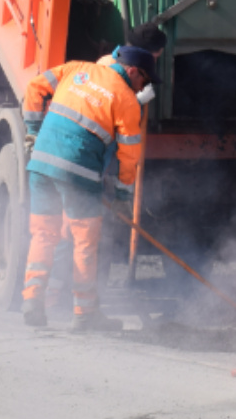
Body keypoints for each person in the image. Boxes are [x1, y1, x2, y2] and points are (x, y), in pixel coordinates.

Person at [20, 46, 157, 331]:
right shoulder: (127, 100)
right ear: (132, 71)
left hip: (41, 164)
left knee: (43, 234)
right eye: (144, 80)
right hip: (78, 174)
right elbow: (129, 155)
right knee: (84, 244)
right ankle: (84, 313)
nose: (143, 87)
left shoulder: (76, 68)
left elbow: (34, 87)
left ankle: (32, 300)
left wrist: (33, 131)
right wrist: (122, 194)